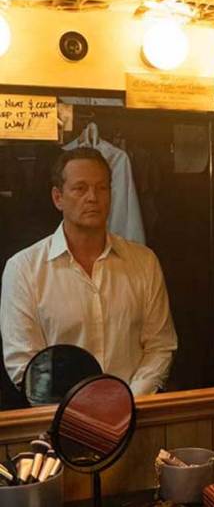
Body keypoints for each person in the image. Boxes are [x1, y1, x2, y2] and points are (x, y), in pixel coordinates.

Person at [0, 147, 177, 396]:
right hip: (58, 413)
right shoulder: (24, 269)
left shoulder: (144, 262)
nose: (93, 197)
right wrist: (76, 409)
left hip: (135, 409)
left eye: (101, 188)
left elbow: (160, 345)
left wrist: (127, 402)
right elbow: (24, 361)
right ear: (58, 198)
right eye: (80, 188)